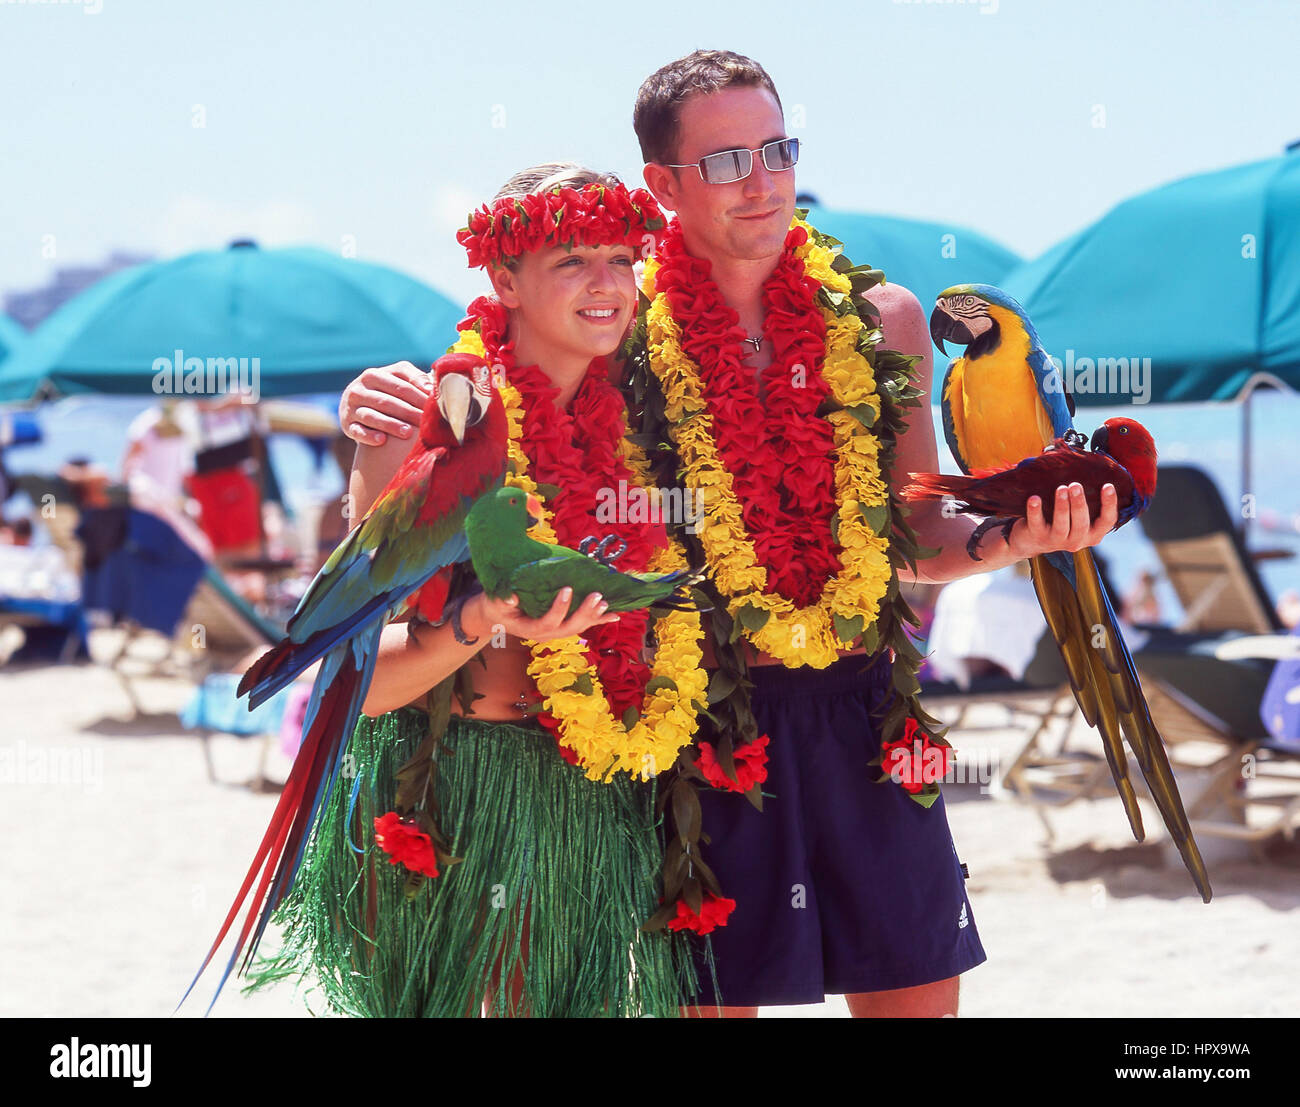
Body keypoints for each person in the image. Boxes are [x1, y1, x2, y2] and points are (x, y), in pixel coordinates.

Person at [339, 51, 1121, 1019]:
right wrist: (381, 395)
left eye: (777, 150)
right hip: (704, 724)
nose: (762, 182)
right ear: (661, 187)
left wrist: (1007, 542)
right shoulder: (620, 320)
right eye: (724, 162)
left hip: (864, 704)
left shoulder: (884, 321)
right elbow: (505, 378)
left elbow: (919, 529)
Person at [249, 164, 706, 1018]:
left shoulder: (647, 430)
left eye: (620, 256)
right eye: (571, 260)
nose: (606, 284)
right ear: (503, 281)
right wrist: (478, 619)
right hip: (449, 792)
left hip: (591, 803)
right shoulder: (424, 426)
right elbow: (364, 687)